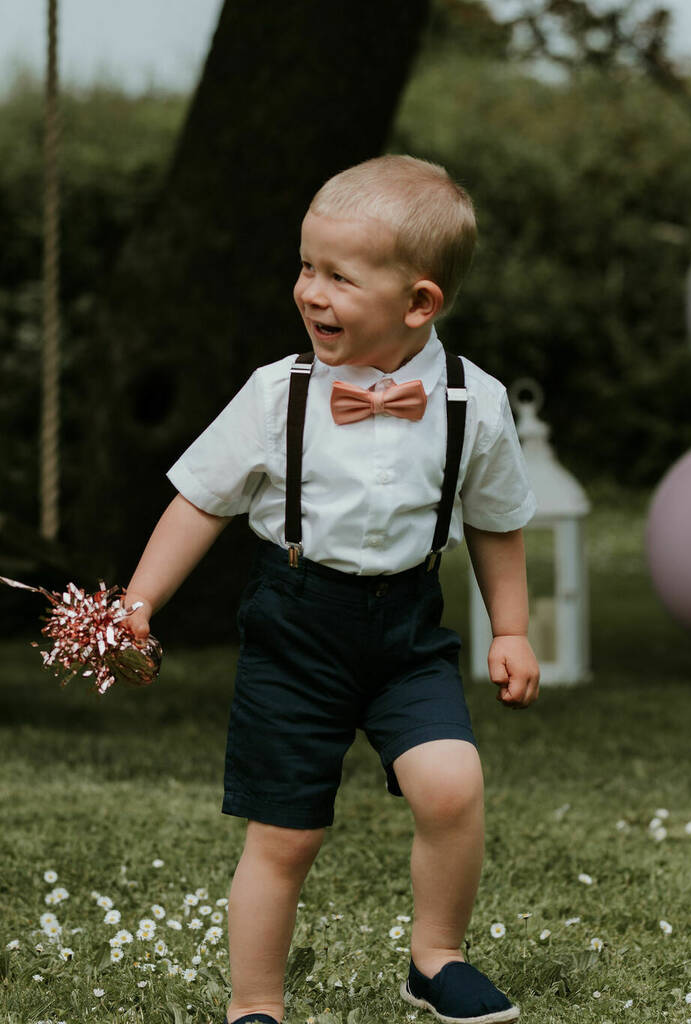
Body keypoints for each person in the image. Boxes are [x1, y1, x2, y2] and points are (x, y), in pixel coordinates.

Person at [123, 154, 540, 1024]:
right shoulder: (277, 395)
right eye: (306, 266)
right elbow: (199, 501)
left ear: (419, 303)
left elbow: (497, 520)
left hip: (408, 633)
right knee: (287, 832)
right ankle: (255, 1002)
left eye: (339, 277)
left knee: (453, 786)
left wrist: (511, 629)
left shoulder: (474, 401)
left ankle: (436, 959)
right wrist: (140, 599)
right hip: (295, 628)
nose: (310, 292)